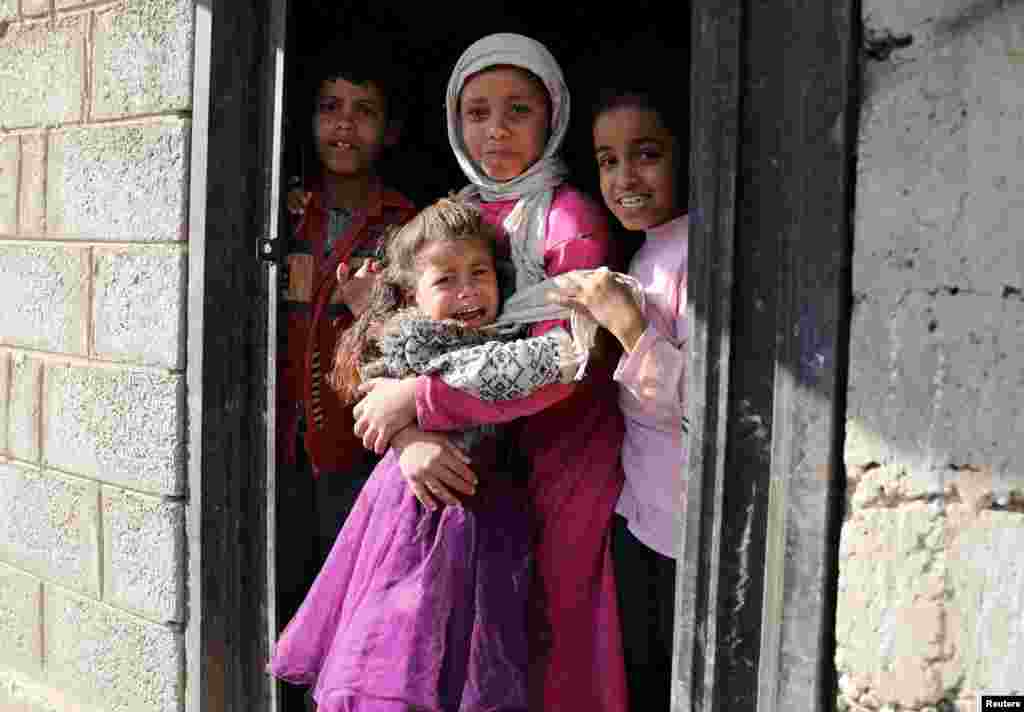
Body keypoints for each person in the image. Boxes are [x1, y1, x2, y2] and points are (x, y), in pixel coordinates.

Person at [350, 33, 629, 712]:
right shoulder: (459, 213)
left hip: (563, 459)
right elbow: (390, 337)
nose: (496, 131)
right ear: (454, 120)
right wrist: (410, 434)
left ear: (553, 113)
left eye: (518, 110)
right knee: (460, 637)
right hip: (475, 466)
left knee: (553, 634)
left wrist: (421, 401)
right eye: (477, 112)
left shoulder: (571, 219)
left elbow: (564, 365)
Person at [269, 197, 588, 712]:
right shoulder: (417, 343)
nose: (466, 292)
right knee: (401, 648)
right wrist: (407, 439)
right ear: (412, 297)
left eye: (479, 272)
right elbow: (373, 389)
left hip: (486, 523)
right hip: (416, 523)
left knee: (467, 656)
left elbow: (547, 366)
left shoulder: (506, 337)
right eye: (446, 280)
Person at [275, 40, 417, 677]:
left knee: (347, 605)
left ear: (388, 131)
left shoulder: (405, 224)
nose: (344, 123)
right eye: (330, 107)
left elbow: (424, 337)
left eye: (363, 111)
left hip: (355, 446)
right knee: (281, 586)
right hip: (278, 442)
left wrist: (371, 307)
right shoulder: (280, 209)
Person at [549, 85, 689, 711]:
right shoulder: (651, 249)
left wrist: (627, 324)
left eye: (646, 154)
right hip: (645, 516)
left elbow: (706, 409)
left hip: (685, 538)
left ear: (686, 155)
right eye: (608, 160)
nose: (625, 176)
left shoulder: (701, 255)